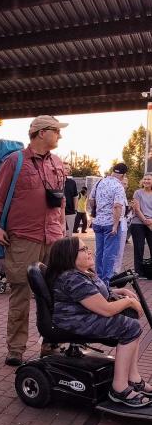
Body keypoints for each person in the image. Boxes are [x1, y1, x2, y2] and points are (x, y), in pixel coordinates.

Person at [0, 115, 68, 366]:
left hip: (53, 237)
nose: (60, 135)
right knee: (21, 292)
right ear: (42, 132)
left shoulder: (57, 162)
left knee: (55, 292)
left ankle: (50, 344)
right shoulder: (15, 161)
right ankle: (16, 349)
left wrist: (64, 232)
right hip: (23, 237)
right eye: (56, 131)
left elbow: (60, 201)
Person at [46, 236, 150, 407]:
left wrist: (119, 291)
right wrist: (130, 301)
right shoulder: (73, 278)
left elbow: (97, 293)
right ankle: (119, 389)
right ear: (69, 255)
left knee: (131, 324)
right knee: (130, 327)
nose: (89, 252)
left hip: (82, 316)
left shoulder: (81, 274)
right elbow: (105, 309)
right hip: (75, 322)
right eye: (83, 249)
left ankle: (133, 378)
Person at [90, 163, 128, 285]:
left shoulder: (99, 182)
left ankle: (98, 280)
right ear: (123, 175)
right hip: (110, 224)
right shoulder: (118, 186)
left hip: (98, 222)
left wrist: (97, 212)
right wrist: (115, 225)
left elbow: (91, 200)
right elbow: (117, 206)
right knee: (109, 254)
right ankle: (106, 283)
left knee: (99, 252)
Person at [131, 174, 152, 277]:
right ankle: (139, 272)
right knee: (139, 248)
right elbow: (136, 209)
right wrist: (144, 220)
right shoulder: (137, 193)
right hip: (138, 223)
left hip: (151, 223)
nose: (147, 181)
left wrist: (150, 220)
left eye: (149, 179)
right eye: (145, 179)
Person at [63, 163, 78, 237]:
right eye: (66, 168)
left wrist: (75, 210)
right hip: (57, 213)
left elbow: (75, 197)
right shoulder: (54, 181)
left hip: (70, 213)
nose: (68, 170)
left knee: (68, 235)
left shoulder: (72, 183)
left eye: (69, 169)